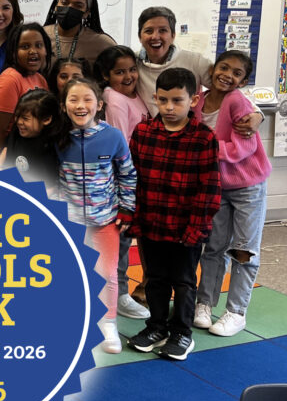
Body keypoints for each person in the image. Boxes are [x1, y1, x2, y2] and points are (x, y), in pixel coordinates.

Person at [127, 67, 221, 361]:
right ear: (155, 98)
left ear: (193, 100)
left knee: (183, 281)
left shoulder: (203, 138)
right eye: (163, 100)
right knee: (154, 278)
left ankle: (181, 332)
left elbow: (209, 188)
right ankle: (157, 326)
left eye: (177, 100)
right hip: (150, 222)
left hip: (185, 227)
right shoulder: (143, 132)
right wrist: (132, 216)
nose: (169, 107)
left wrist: (197, 227)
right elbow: (132, 178)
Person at [56, 77, 136, 354]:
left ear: (99, 105)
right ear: (64, 106)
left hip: (105, 220)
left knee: (108, 273)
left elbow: (127, 174)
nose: (81, 105)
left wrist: (127, 208)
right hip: (69, 222)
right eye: (73, 99)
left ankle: (108, 322)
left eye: (87, 99)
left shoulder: (112, 136)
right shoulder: (58, 138)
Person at [194, 51, 272, 337]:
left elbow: (243, 148)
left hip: (247, 186)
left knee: (243, 249)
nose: (227, 75)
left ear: (243, 81)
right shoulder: (198, 101)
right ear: (213, 69)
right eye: (224, 68)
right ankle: (204, 303)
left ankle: (236, 312)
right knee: (214, 247)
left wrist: (204, 147)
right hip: (217, 186)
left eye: (236, 73)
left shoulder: (238, 101)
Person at [135, 6, 263, 141]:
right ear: (140, 37)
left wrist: (258, 113)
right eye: (148, 31)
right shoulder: (133, 65)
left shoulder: (195, 61)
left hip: (187, 139)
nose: (155, 36)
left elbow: (227, 86)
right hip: (155, 138)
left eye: (163, 30)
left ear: (173, 35)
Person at [93, 46, 151, 320]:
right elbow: (121, 147)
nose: (128, 76)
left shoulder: (134, 95)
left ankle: (117, 292)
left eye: (131, 70)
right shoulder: (114, 99)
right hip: (121, 182)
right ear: (106, 75)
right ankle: (118, 295)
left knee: (125, 239)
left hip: (134, 179)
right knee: (119, 240)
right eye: (119, 72)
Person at [0, 22, 51, 145]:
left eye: (39, 45)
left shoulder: (40, 78)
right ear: (14, 52)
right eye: (25, 47)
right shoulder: (10, 79)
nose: (33, 51)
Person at [0, 88, 61, 189]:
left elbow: (50, 187)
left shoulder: (51, 147)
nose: (19, 122)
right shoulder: (17, 131)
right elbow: (6, 149)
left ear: (46, 119)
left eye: (25, 118)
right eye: (17, 116)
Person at [42, 0, 115, 69]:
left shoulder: (102, 43)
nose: (69, 8)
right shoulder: (40, 36)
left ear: (86, 13)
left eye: (78, 6)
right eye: (64, 2)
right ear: (56, 5)